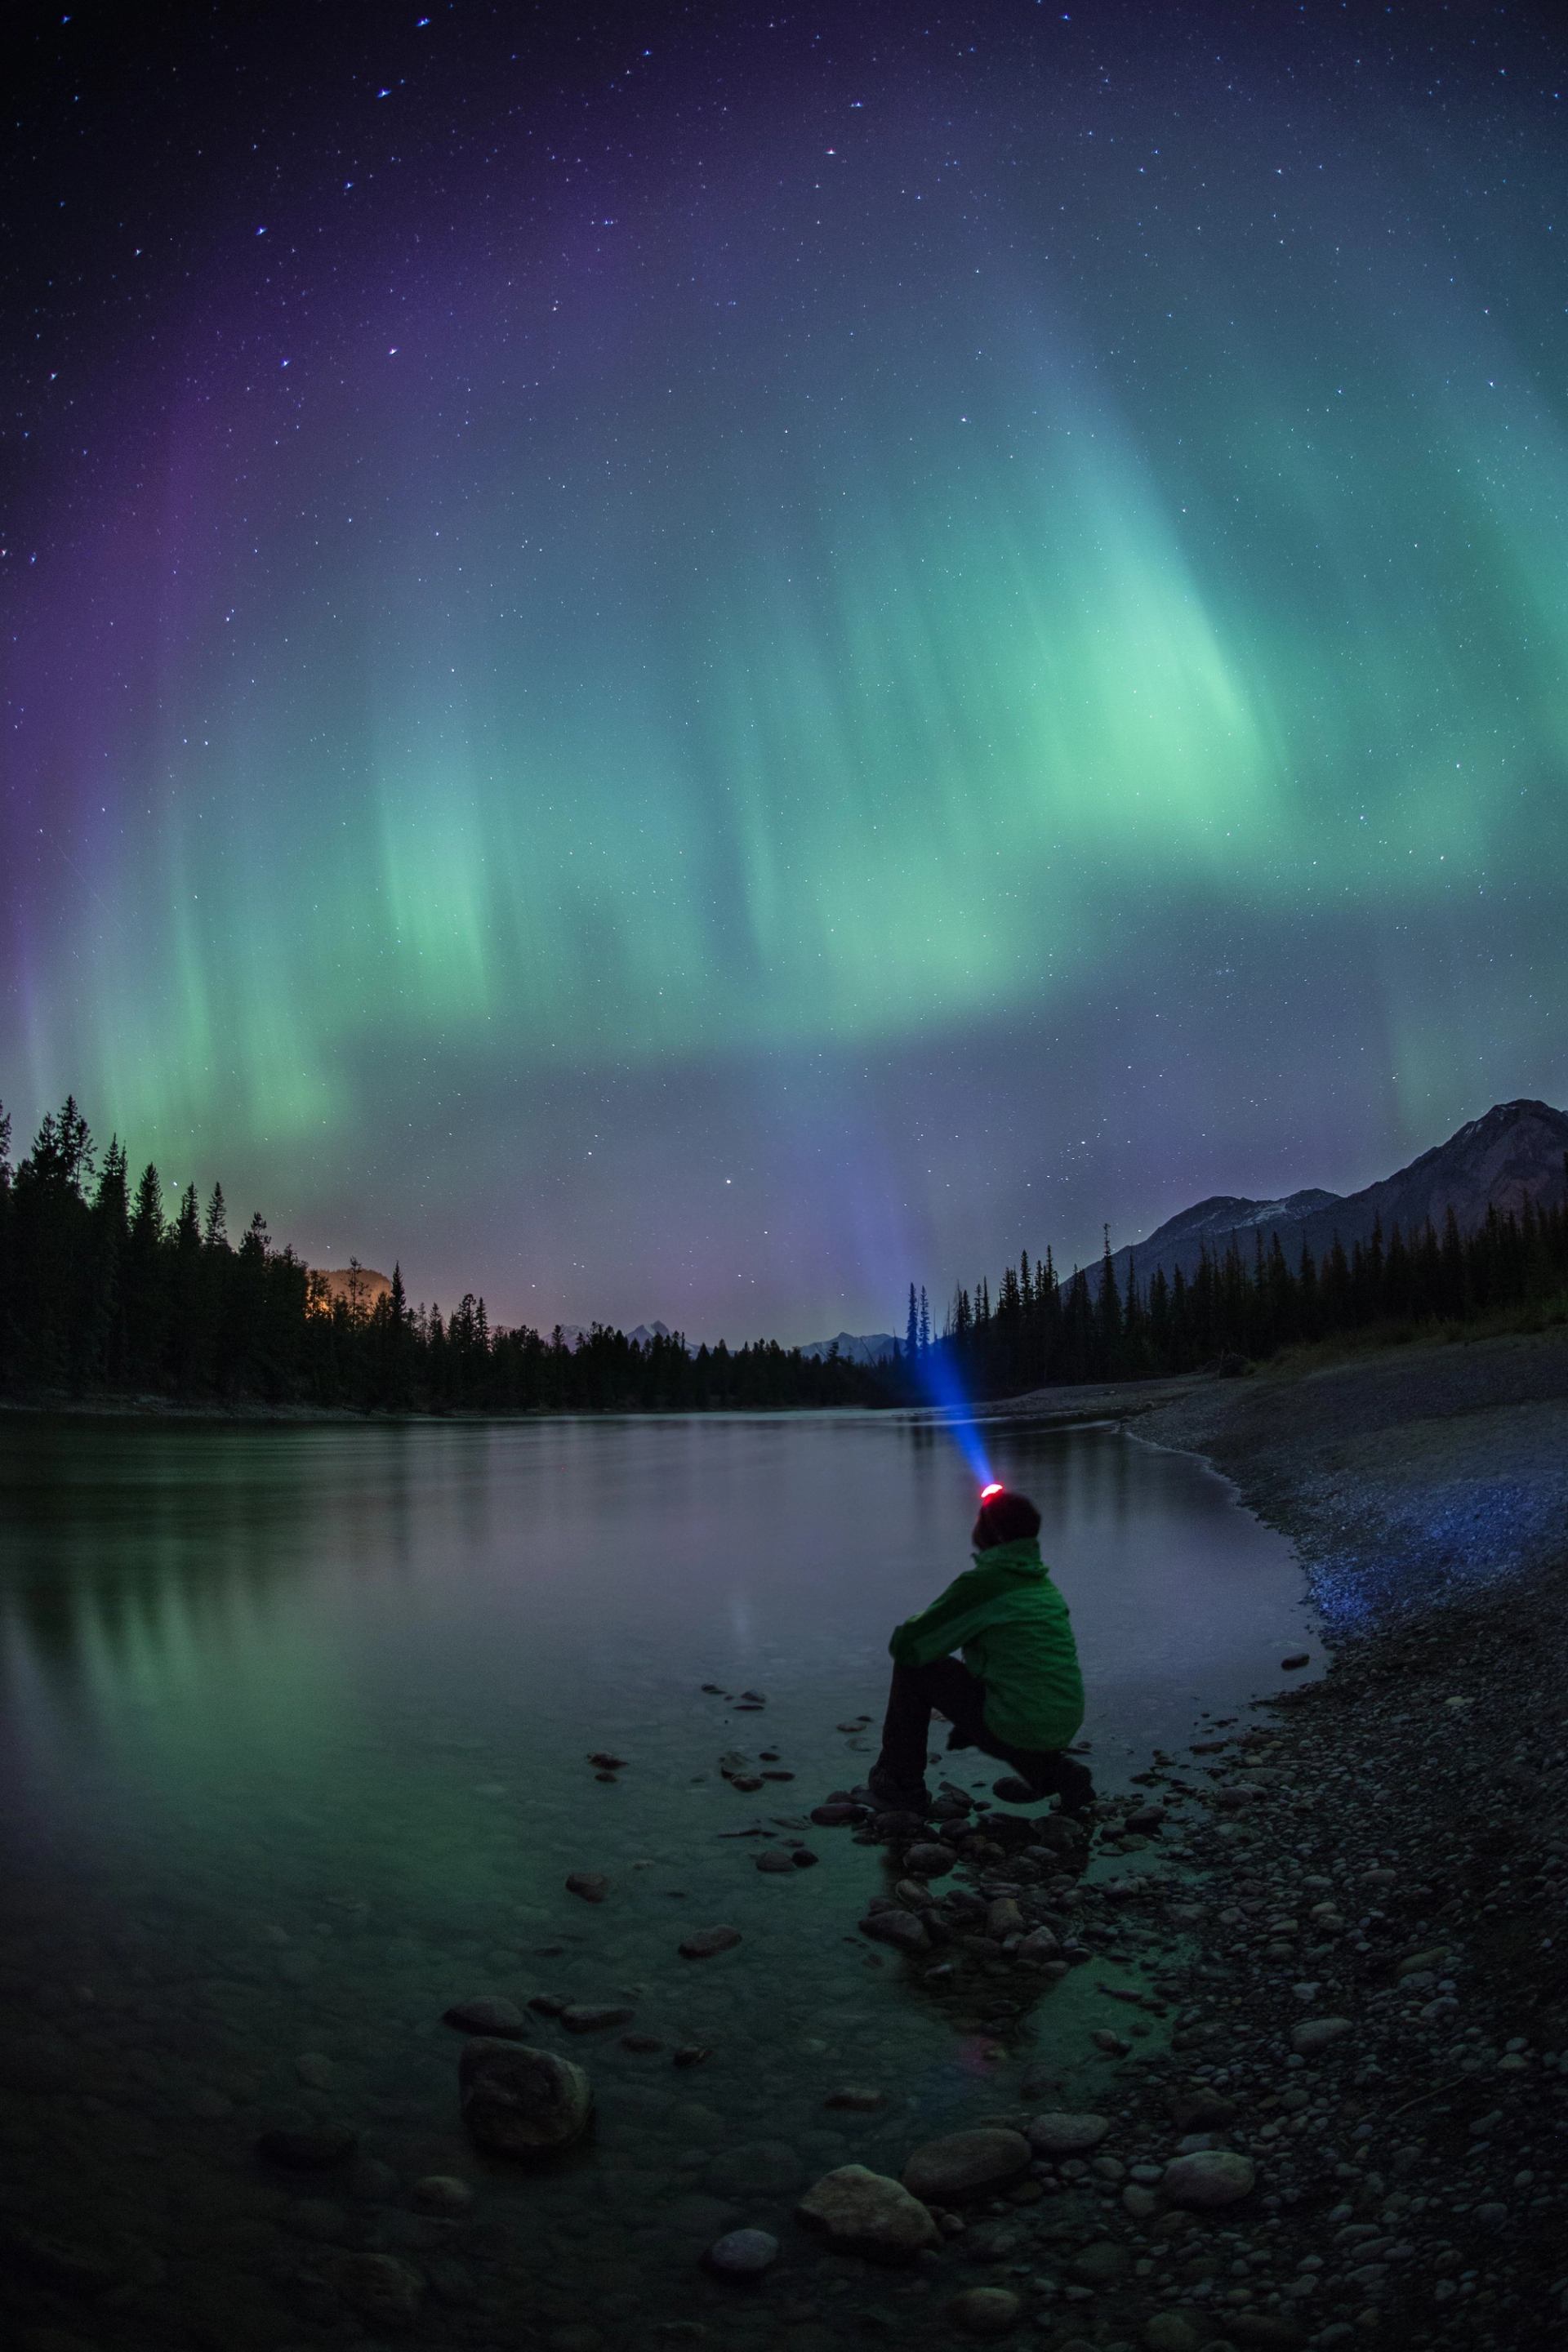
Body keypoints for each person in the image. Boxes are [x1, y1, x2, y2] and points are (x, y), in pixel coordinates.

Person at [866, 1484, 1094, 1817]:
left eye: (980, 1519)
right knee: (1019, 1691)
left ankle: (901, 1785)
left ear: (990, 1533)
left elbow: (908, 1646)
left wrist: (926, 1619)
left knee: (915, 1669)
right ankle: (1053, 1773)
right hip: (1061, 1719)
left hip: (1022, 1722)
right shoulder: (1041, 1583)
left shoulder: (987, 1584)